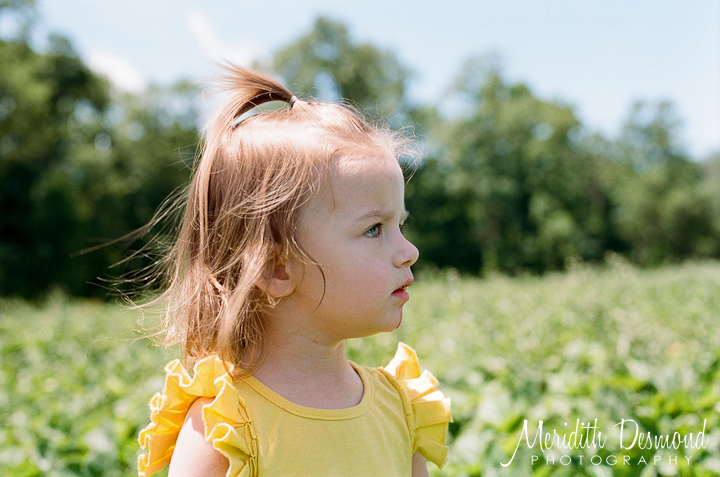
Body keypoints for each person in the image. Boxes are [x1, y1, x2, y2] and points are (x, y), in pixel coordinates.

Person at [137, 65, 451, 477]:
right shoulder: (225, 424)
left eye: (400, 226)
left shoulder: (401, 408)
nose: (408, 251)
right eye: (374, 229)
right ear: (277, 269)